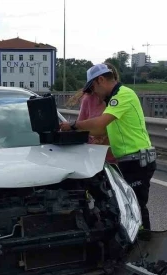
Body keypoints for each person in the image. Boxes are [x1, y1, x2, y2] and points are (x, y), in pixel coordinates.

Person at [59, 63, 156, 232]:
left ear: (101, 80)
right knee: (126, 206)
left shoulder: (123, 94)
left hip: (137, 161)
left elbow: (99, 126)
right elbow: (102, 130)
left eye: (93, 87)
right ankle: (136, 243)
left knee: (137, 208)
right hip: (129, 160)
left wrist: (73, 126)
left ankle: (145, 247)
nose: (94, 92)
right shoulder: (113, 98)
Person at [65, 64, 119, 164]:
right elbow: (81, 127)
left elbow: (105, 127)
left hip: (116, 159)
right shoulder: (88, 99)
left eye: (93, 87)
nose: (93, 90)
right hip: (94, 158)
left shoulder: (119, 99)